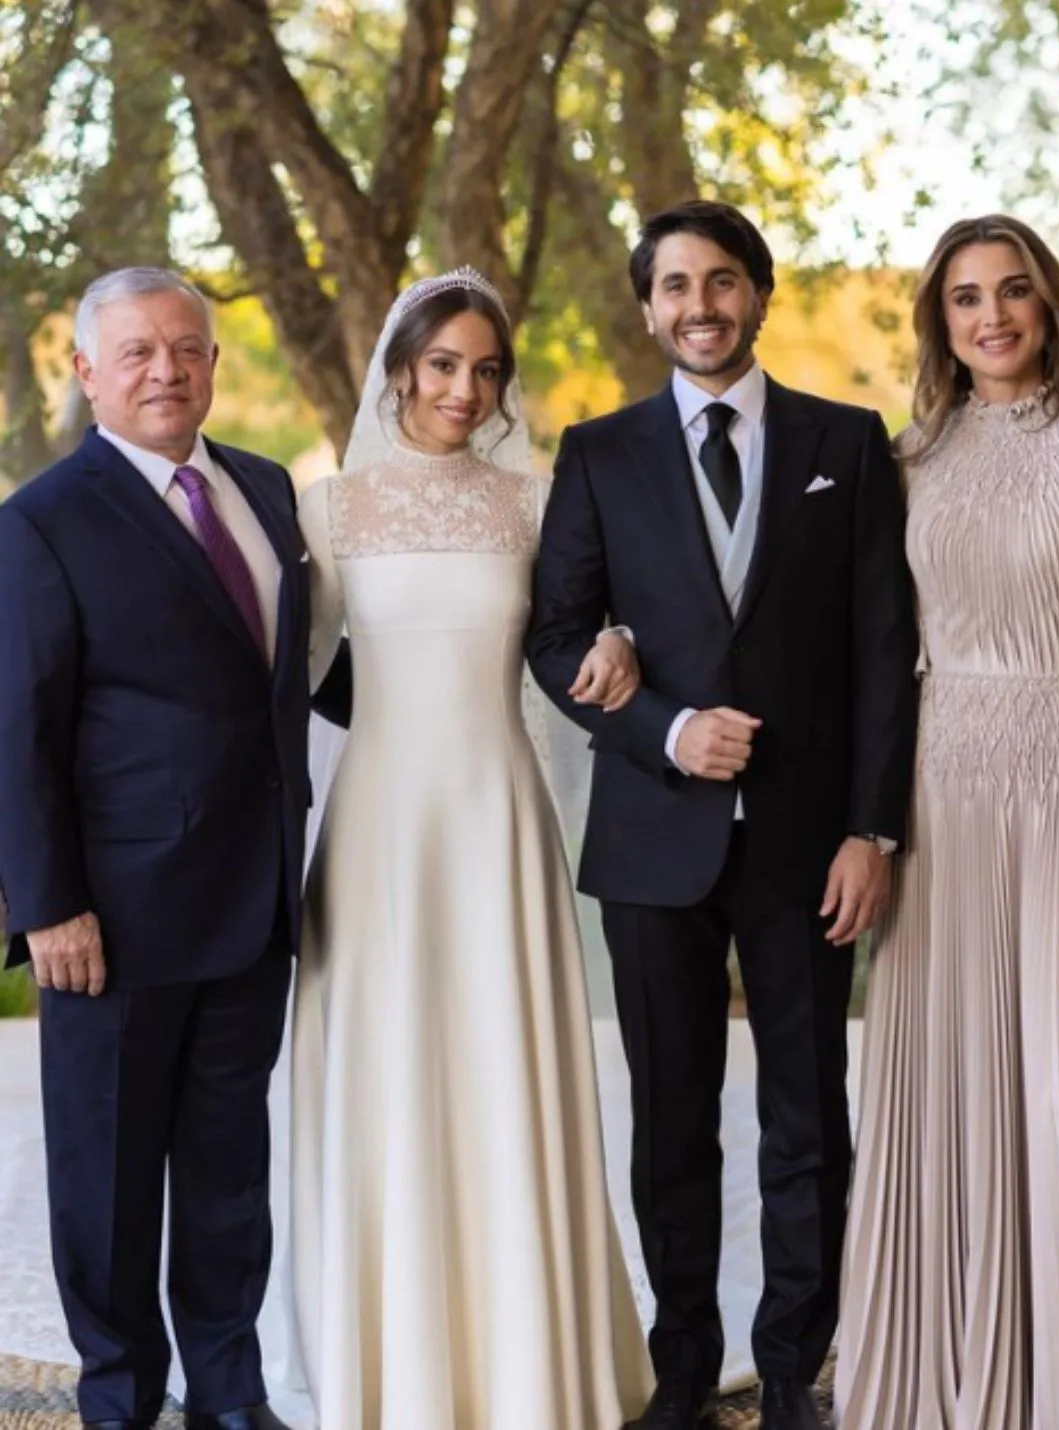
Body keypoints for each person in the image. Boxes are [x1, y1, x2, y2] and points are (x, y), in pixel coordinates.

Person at [526, 201, 920, 1430]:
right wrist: (664, 729)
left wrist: (874, 827)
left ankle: (793, 1365)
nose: (701, 304)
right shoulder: (596, 452)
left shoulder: (848, 444)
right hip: (653, 839)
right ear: (648, 306)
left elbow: (884, 650)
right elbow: (554, 636)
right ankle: (684, 1367)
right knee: (671, 1118)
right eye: (677, 285)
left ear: (759, 294)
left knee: (810, 1112)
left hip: (811, 844)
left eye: (724, 281)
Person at [835, 214, 1059, 1429]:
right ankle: (945, 1364)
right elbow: (866, 644)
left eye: (1013, 292)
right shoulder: (910, 456)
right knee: (943, 1072)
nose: (990, 316)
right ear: (939, 319)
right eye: (964, 299)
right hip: (938, 793)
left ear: (1049, 306)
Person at [290, 266, 652, 1430]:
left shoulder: (538, 504)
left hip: (499, 817)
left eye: (485, 368)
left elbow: (586, 629)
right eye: (442, 363)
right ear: (400, 364)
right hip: (380, 824)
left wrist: (624, 640)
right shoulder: (330, 508)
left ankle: (526, 1364)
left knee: (504, 1065)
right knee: (389, 1073)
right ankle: (387, 1367)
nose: (463, 387)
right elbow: (281, 679)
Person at [0, 268, 348, 1430]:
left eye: (186, 348)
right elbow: (18, 728)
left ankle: (231, 1396)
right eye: (138, 351)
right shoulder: (41, 521)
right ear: (89, 371)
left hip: (251, 901)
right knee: (104, 1185)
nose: (166, 369)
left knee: (225, 1179)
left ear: (212, 361)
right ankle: (119, 1402)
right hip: (112, 918)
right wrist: (47, 903)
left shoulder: (263, 487)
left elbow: (295, 674)